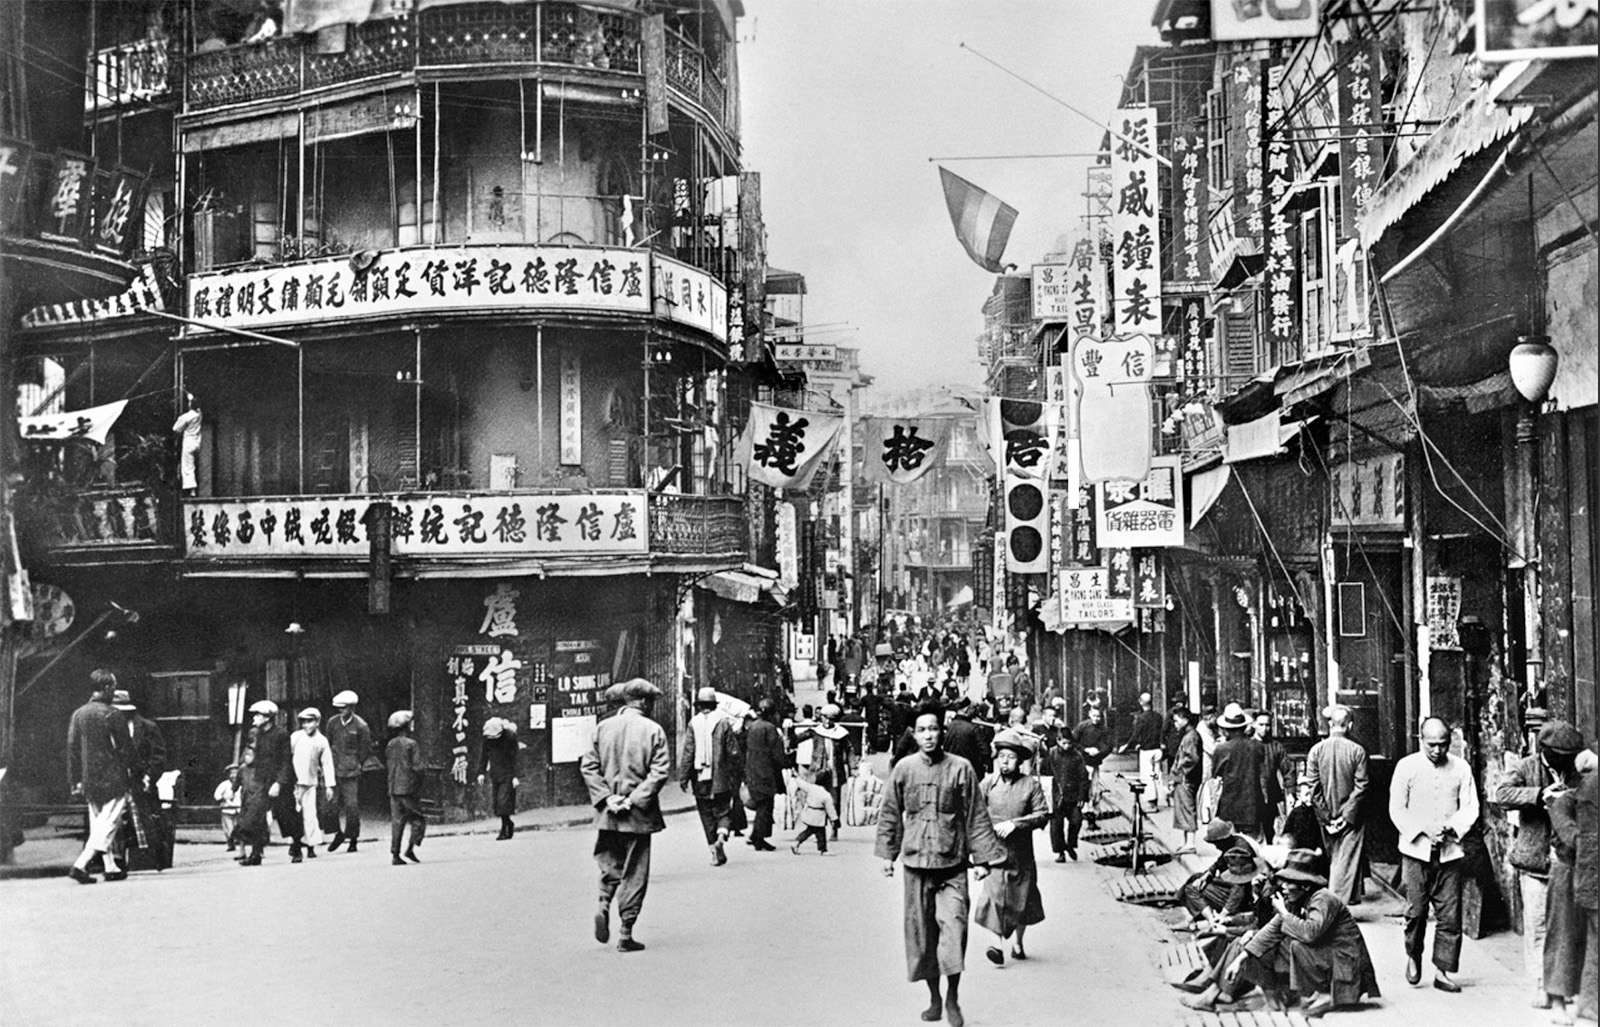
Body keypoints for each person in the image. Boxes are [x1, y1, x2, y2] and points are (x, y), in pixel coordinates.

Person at [876, 704, 1007, 1027]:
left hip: (952, 866)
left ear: (942, 732)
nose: (928, 735)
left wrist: (983, 859)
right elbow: (890, 812)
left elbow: (976, 815)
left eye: (933, 729)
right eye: (922, 730)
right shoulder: (904, 769)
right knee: (924, 938)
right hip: (916, 865)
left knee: (954, 931)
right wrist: (888, 856)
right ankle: (934, 997)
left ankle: (952, 998)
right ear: (914, 734)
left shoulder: (961, 769)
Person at [1182, 848, 1380, 1017]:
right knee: (1254, 945)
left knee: (1293, 945)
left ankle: (1326, 993)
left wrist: (1284, 913)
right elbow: (1271, 930)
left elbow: (1310, 933)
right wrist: (1241, 957)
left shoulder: (1323, 899)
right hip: (1324, 957)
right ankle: (1263, 996)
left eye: (1289, 882)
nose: (1283, 886)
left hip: (1344, 963)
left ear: (1305, 885)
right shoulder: (1297, 898)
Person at [1389, 716, 1479, 993]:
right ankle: (1413, 954)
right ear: (1420, 740)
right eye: (1432, 745)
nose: (1438, 751)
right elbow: (1397, 809)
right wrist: (1423, 829)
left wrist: (1451, 827)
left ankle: (1442, 970)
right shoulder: (1406, 767)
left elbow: (1471, 807)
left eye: (1443, 744)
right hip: (1416, 853)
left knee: (1450, 916)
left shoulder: (1461, 768)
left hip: (1450, 853)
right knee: (1416, 912)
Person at [580, 679, 669, 953]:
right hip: (638, 816)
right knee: (635, 872)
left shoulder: (603, 728)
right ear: (643, 702)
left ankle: (603, 903)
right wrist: (632, 800)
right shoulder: (653, 730)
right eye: (651, 702)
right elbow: (659, 772)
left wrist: (608, 798)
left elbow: (589, 767)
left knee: (610, 864)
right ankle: (625, 932)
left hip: (608, 813)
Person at [1491, 717, 1562, 1009]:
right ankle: (1541, 986)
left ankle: (1562, 985)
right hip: (1534, 861)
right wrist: (1538, 795)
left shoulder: (1577, 768)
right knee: (1537, 927)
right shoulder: (1525, 766)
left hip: (1567, 862)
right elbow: (1502, 794)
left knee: (1565, 928)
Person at [974, 730, 1049, 965]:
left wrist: (1016, 824)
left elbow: (1042, 814)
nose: (1005, 761)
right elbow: (974, 814)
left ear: (1020, 760)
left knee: (1022, 900)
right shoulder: (987, 784)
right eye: (1002, 756)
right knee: (995, 897)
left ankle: (1017, 942)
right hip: (994, 852)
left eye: (1011, 757)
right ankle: (997, 945)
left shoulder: (1030, 785)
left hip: (1021, 853)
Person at [1538, 721, 1589, 1023]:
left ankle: (1576, 994)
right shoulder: (1561, 795)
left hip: (1585, 866)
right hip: (1566, 865)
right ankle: (1556, 997)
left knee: (1581, 933)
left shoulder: (1584, 778)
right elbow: (1569, 836)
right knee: (1562, 932)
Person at [65, 671, 132, 884]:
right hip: (114, 777)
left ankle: (111, 866)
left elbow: (72, 750)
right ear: (107, 687)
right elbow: (126, 750)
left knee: (99, 823)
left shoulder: (78, 714)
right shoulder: (113, 714)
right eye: (113, 686)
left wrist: (75, 781)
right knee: (109, 822)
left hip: (88, 779)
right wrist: (138, 773)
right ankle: (81, 864)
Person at [1306, 704, 1369, 905]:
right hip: (1351, 817)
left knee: (1336, 859)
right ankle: (1334, 907)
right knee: (1346, 860)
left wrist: (1327, 816)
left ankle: (1339, 901)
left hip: (1326, 816)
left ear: (1331, 724)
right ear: (1349, 725)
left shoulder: (1316, 751)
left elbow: (1313, 787)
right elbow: (1362, 787)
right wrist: (1345, 816)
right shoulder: (1358, 751)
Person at [112, 688, 170, 872]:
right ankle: (118, 860)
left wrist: (149, 777)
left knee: (149, 821)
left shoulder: (148, 727)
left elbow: (158, 756)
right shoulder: (111, 730)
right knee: (118, 823)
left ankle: (157, 858)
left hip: (143, 781)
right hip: (119, 781)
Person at [682, 686, 740, 867]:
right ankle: (722, 835)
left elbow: (688, 752)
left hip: (700, 778)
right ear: (714, 705)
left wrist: (684, 776)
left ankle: (713, 850)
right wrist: (737, 773)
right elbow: (734, 752)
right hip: (721, 778)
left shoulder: (693, 723)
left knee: (706, 814)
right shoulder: (723, 723)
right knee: (723, 810)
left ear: (699, 706)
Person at [247, 698, 302, 863]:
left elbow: (286, 761)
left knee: (286, 815)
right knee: (256, 816)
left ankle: (297, 846)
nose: (254, 718)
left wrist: (279, 783)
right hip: (261, 781)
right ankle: (256, 853)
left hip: (279, 782)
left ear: (267, 717)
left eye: (257, 715)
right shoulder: (258, 734)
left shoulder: (281, 734)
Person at [1210, 702, 1270, 841]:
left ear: (1226, 728)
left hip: (1230, 805)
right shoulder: (1257, 746)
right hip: (1253, 804)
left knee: (1231, 845)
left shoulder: (1222, 749)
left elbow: (1216, 774)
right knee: (1253, 844)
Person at [325, 689, 371, 853]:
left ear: (352, 707)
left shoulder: (361, 725)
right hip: (334, 768)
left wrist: (357, 763)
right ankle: (337, 833)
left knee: (352, 807)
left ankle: (353, 839)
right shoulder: (332, 723)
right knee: (330, 805)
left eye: (344, 707)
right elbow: (328, 743)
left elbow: (365, 749)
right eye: (339, 708)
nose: (341, 710)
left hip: (351, 771)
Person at [290, 708, 335, 859]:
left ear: (317, 722)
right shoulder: (296, 737)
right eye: (303, 722)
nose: (306, 725)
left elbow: (327, 763)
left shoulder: (321, 741)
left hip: (310, 783)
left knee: (310, 815)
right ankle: (295, 843)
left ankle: (311, 846)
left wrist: (329, 785)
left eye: (310, 721)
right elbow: (287, 756)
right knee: (294, 815)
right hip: (294, 782)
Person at [742, 699, 787, 851]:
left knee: (761, 804)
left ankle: (756, 835)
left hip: (752, 770)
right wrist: (785, 763)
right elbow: (777, 754)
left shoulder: (752, 727)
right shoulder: (770, 728)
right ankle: (759, 839)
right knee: (765, 806)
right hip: (766, 772)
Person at [806, 703, 853, 840]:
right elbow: (797, 739)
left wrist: (853, 767)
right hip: (818, 770)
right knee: (817, 800)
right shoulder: (816, 731)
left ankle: (834, 829)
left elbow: (849, 750)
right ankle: (818, 830)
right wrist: (789, 730)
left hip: (834, 771)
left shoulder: (841, 734)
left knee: (834, 801)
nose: (827, 721)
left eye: (830, 719)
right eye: (825, 718)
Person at [386, 710, 426, 865]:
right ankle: (410, 848)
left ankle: (395, 854)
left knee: (397, 822)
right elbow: (418, 767)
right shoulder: (411, 744)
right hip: (408, 788)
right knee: (418, 819)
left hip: (393, 788)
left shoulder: (390, 744)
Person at [1045, 724, 1088, 862]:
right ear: (1058, 740)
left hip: (1073, 795)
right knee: (1056, 826)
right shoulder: (1052, 753)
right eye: (1064, 743)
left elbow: (1084, 777)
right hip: (1057, 795)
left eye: (1069, 743)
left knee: (1077, 820)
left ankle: (1070, 845)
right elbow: (1044, 770)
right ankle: (1060, 852)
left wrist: (1083, 795)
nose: (1067, 746)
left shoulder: (1077, 756)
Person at [476, 717, 520, 841]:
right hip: (495, 773)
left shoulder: (510, 737)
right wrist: (481, 773)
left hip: (508, 773)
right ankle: (508, 824)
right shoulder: (487, 739)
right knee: (497, 803)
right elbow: (484, 756)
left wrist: (516, 776)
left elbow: (515, 757)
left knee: (503, 802)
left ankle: (504, 829)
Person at [1170, 707, 1203, 854]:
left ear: (1185, 720)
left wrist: (1179, 772)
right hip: (1186, 778)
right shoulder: (1190, 735)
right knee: (1183, 808)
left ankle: (1190, 843)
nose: (1175, 724)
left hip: (1186, 779)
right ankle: (1186, 842)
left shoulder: (1191, 737)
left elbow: (1191, 758)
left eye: (1177, 720)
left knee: (1187, 808)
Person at [1127, 692, 1166, 813]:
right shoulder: (1158, 717)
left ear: (1141, 702)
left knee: (1148, 777)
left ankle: (1152, 804)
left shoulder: (1141, 718)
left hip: (1147, 751)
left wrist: (1127, 745)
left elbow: (1136, 734)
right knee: (1156, 775)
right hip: (1157, 750)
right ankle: (1163, 798)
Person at [1253, 710, 1291, 835]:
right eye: (1261, 724)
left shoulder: (1275, 747)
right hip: (1252, 795)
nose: (1265, 728)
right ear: (1254, 724)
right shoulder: (1248, 746)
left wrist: (1290, 792)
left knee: (1270, 830)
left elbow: (1288, 770)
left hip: (1270, 795)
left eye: (1267, 725)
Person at [790, 775, 839, 855]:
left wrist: (796, 777)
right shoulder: (826, 795)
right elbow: (831, 810)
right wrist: (835, 819)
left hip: (809, 812)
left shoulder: (811, 787)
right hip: (818, 816)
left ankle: (799, 843)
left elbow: (802, 784)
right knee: (818, 832)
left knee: (812, 831)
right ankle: (822, 849)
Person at [171, 396, 202, 495]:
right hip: (197, 442)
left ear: (189, 405)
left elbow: (175, 428)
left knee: (187, 467)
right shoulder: (199, 414)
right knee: (194, 465)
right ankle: (193, 488)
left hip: (188, 443)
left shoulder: (186, 417)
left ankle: (191, 490)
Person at [214, 764, 243, 851]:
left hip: (238, 809)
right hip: (227, 809)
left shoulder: (242, 784)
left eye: (236, 773)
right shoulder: (224, 784)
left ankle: (240, 844)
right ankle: (230, 844)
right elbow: (217, 795)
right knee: (228, 828)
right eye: (231, 773)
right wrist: (223, 799)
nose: (233, 775)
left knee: (238, 827)